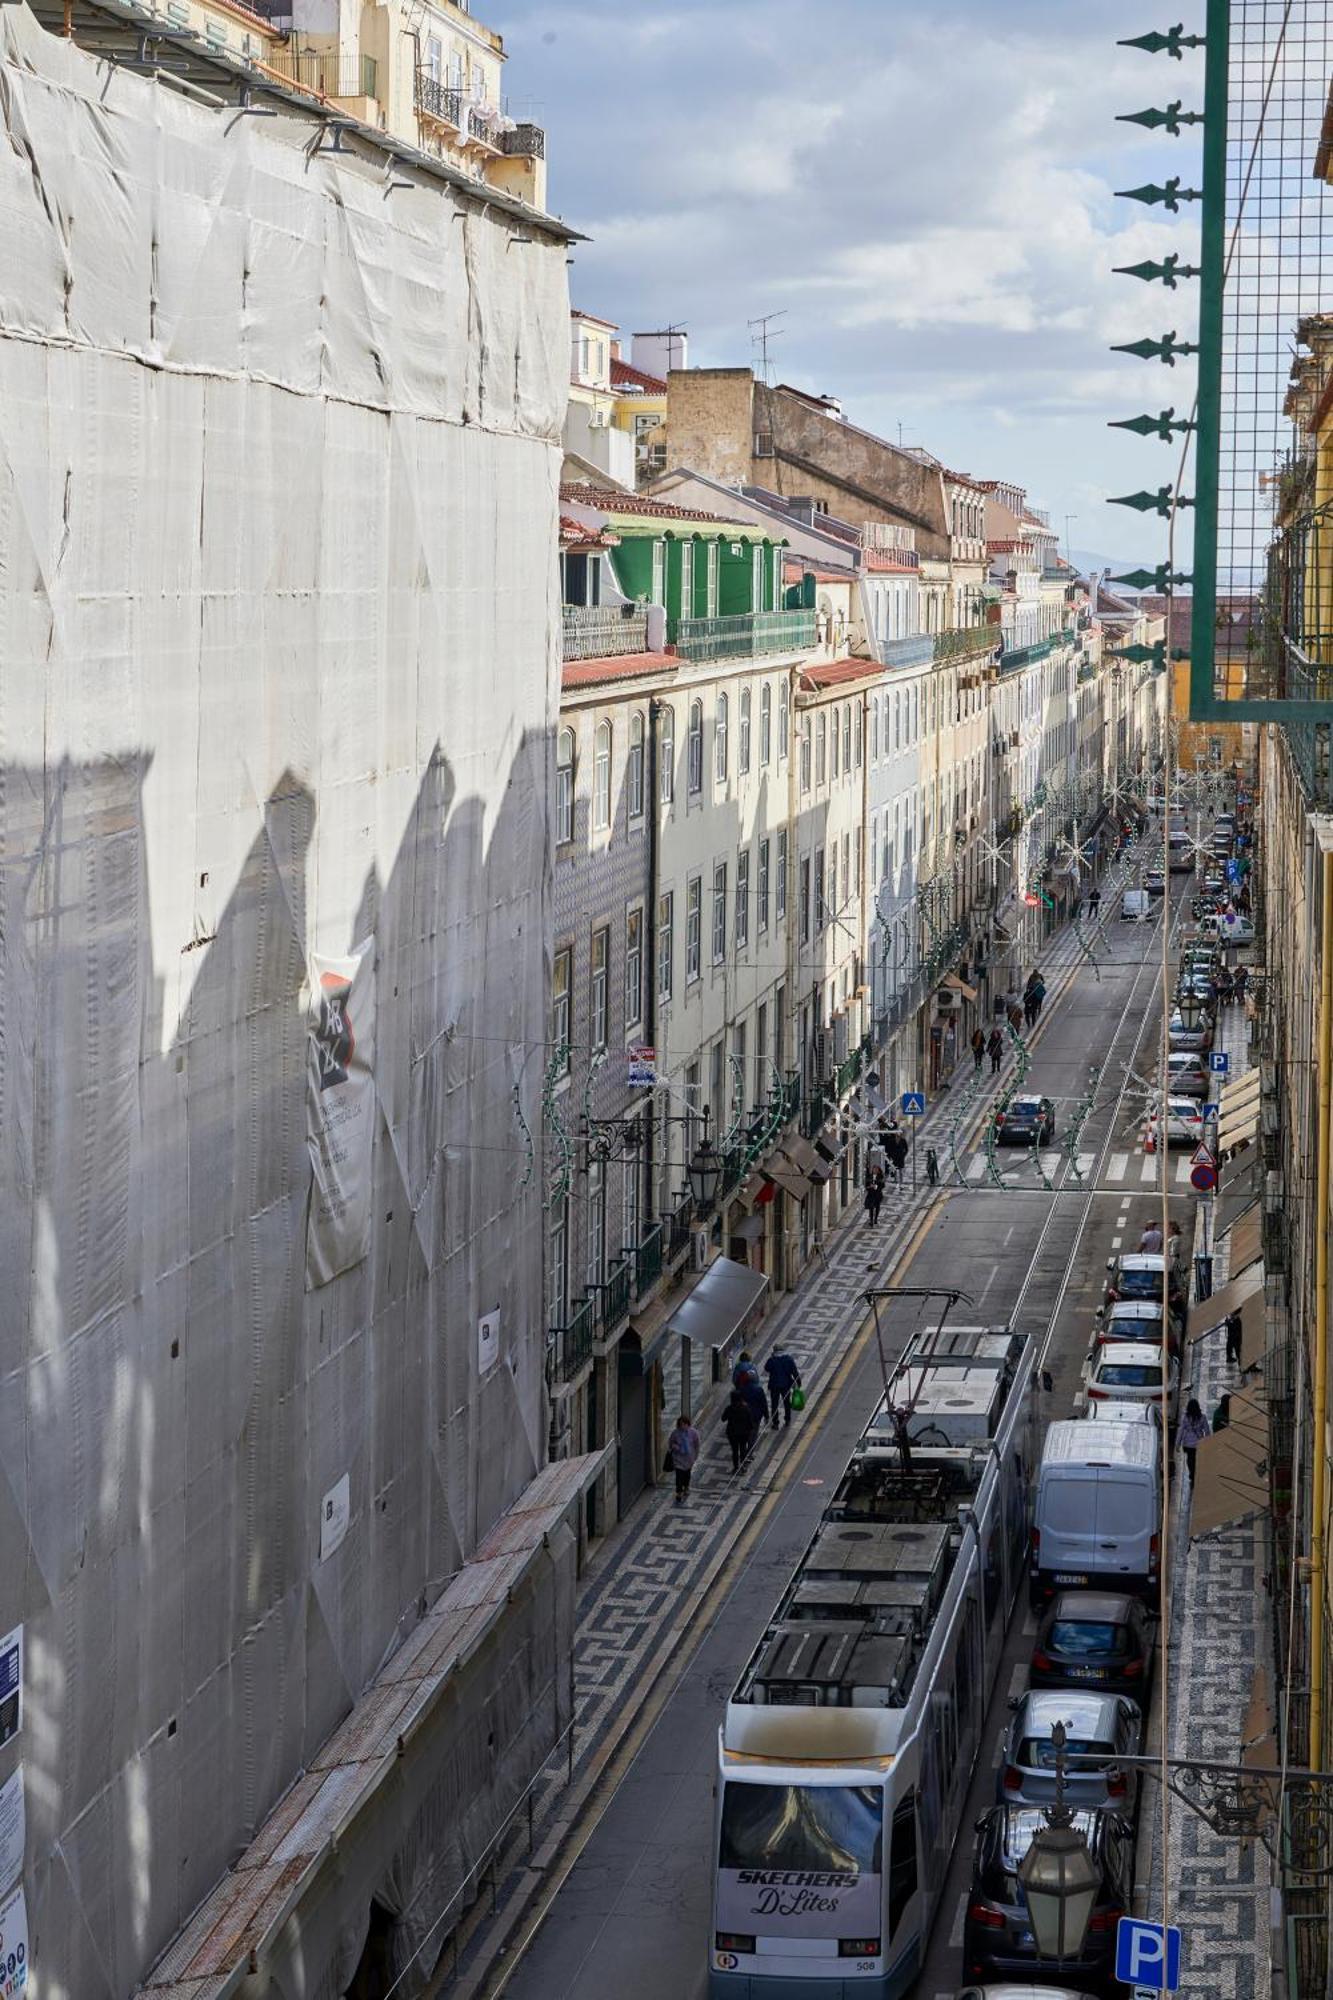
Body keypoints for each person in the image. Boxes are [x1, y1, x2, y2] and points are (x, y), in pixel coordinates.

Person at [665, 1413, 700, 1503]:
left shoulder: (693, 1433)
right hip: (678, 1459)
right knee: (679, 1476)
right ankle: (679, 1491)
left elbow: (696, 1445)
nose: (683, 1426)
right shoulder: (675, 1433)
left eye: (685, 1424)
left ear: (688, 1424)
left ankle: (686, 1486)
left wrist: (695, 1456)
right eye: (681, 1424)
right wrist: (674, 1446)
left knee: (687, 1474)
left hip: (689, 1458)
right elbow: (670, 1442)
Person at [764, 1347, 802, 1429]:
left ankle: (775, 1423)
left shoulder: (772, 1360)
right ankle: (787, 1420)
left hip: (774, 1385)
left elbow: (766, 1368)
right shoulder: (789, 1359)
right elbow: (795, 1372)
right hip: (786, 1385)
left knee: (774, 1404)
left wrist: (772, 1357)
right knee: (786, 1403)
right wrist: (799, 1382)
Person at [723, 1389, 758, 1473]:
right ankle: (743, 1467)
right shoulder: (745, 1408)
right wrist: (751, 1429)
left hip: (732, 1433)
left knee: (734, 1451)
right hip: (744, 1433)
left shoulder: (729, 1408)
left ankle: (735, 1468)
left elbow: (723, 1418)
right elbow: (750, 1421)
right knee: (743, 1449)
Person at [1179, 1398, 1210, 1487]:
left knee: (1190, 1459)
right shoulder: (1202, 1417)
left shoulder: (1185, 1418)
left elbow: (1181, 1431)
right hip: (1199, 1443)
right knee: (1197, 1459)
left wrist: (1177, 1444)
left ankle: (1192, 1474)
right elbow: (1207, 1431)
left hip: (1188, 1444)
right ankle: (1197, 1473)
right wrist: (1208, 1442)